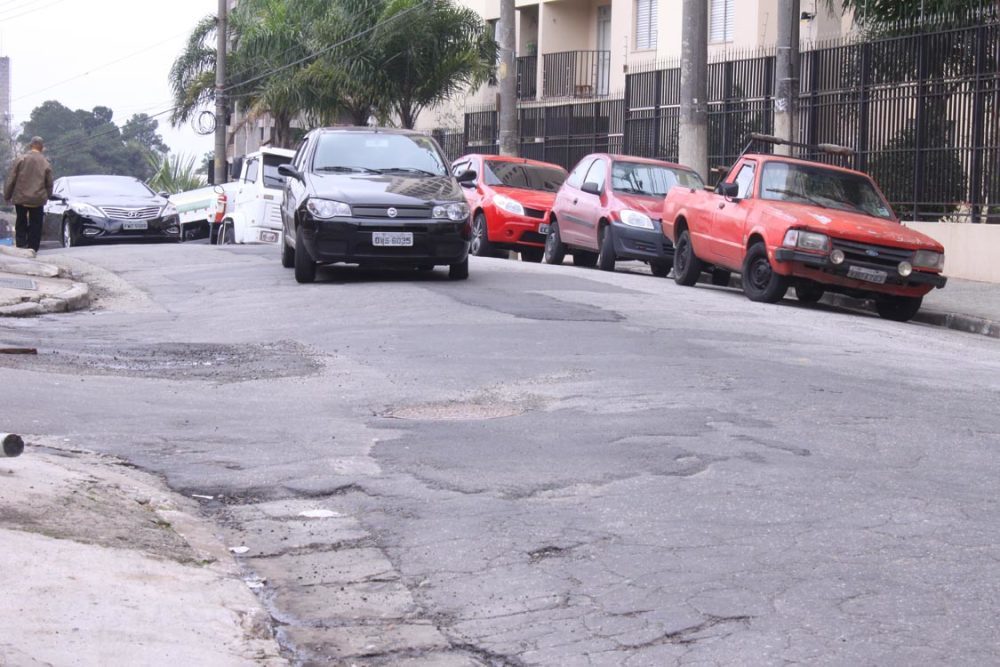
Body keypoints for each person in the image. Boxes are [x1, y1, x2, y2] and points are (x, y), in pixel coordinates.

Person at [3, 137, 54, 252]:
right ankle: (33, 248)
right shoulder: (45, 162)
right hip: (38, 199)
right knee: (36, 224)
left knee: (21, 221)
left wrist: (7, 195)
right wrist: (49, 196)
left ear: (30, 145)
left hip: (21, 198)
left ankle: (21, 247)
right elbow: (49, 183)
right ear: (41, 147)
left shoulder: (21, 159)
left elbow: (11, 178)